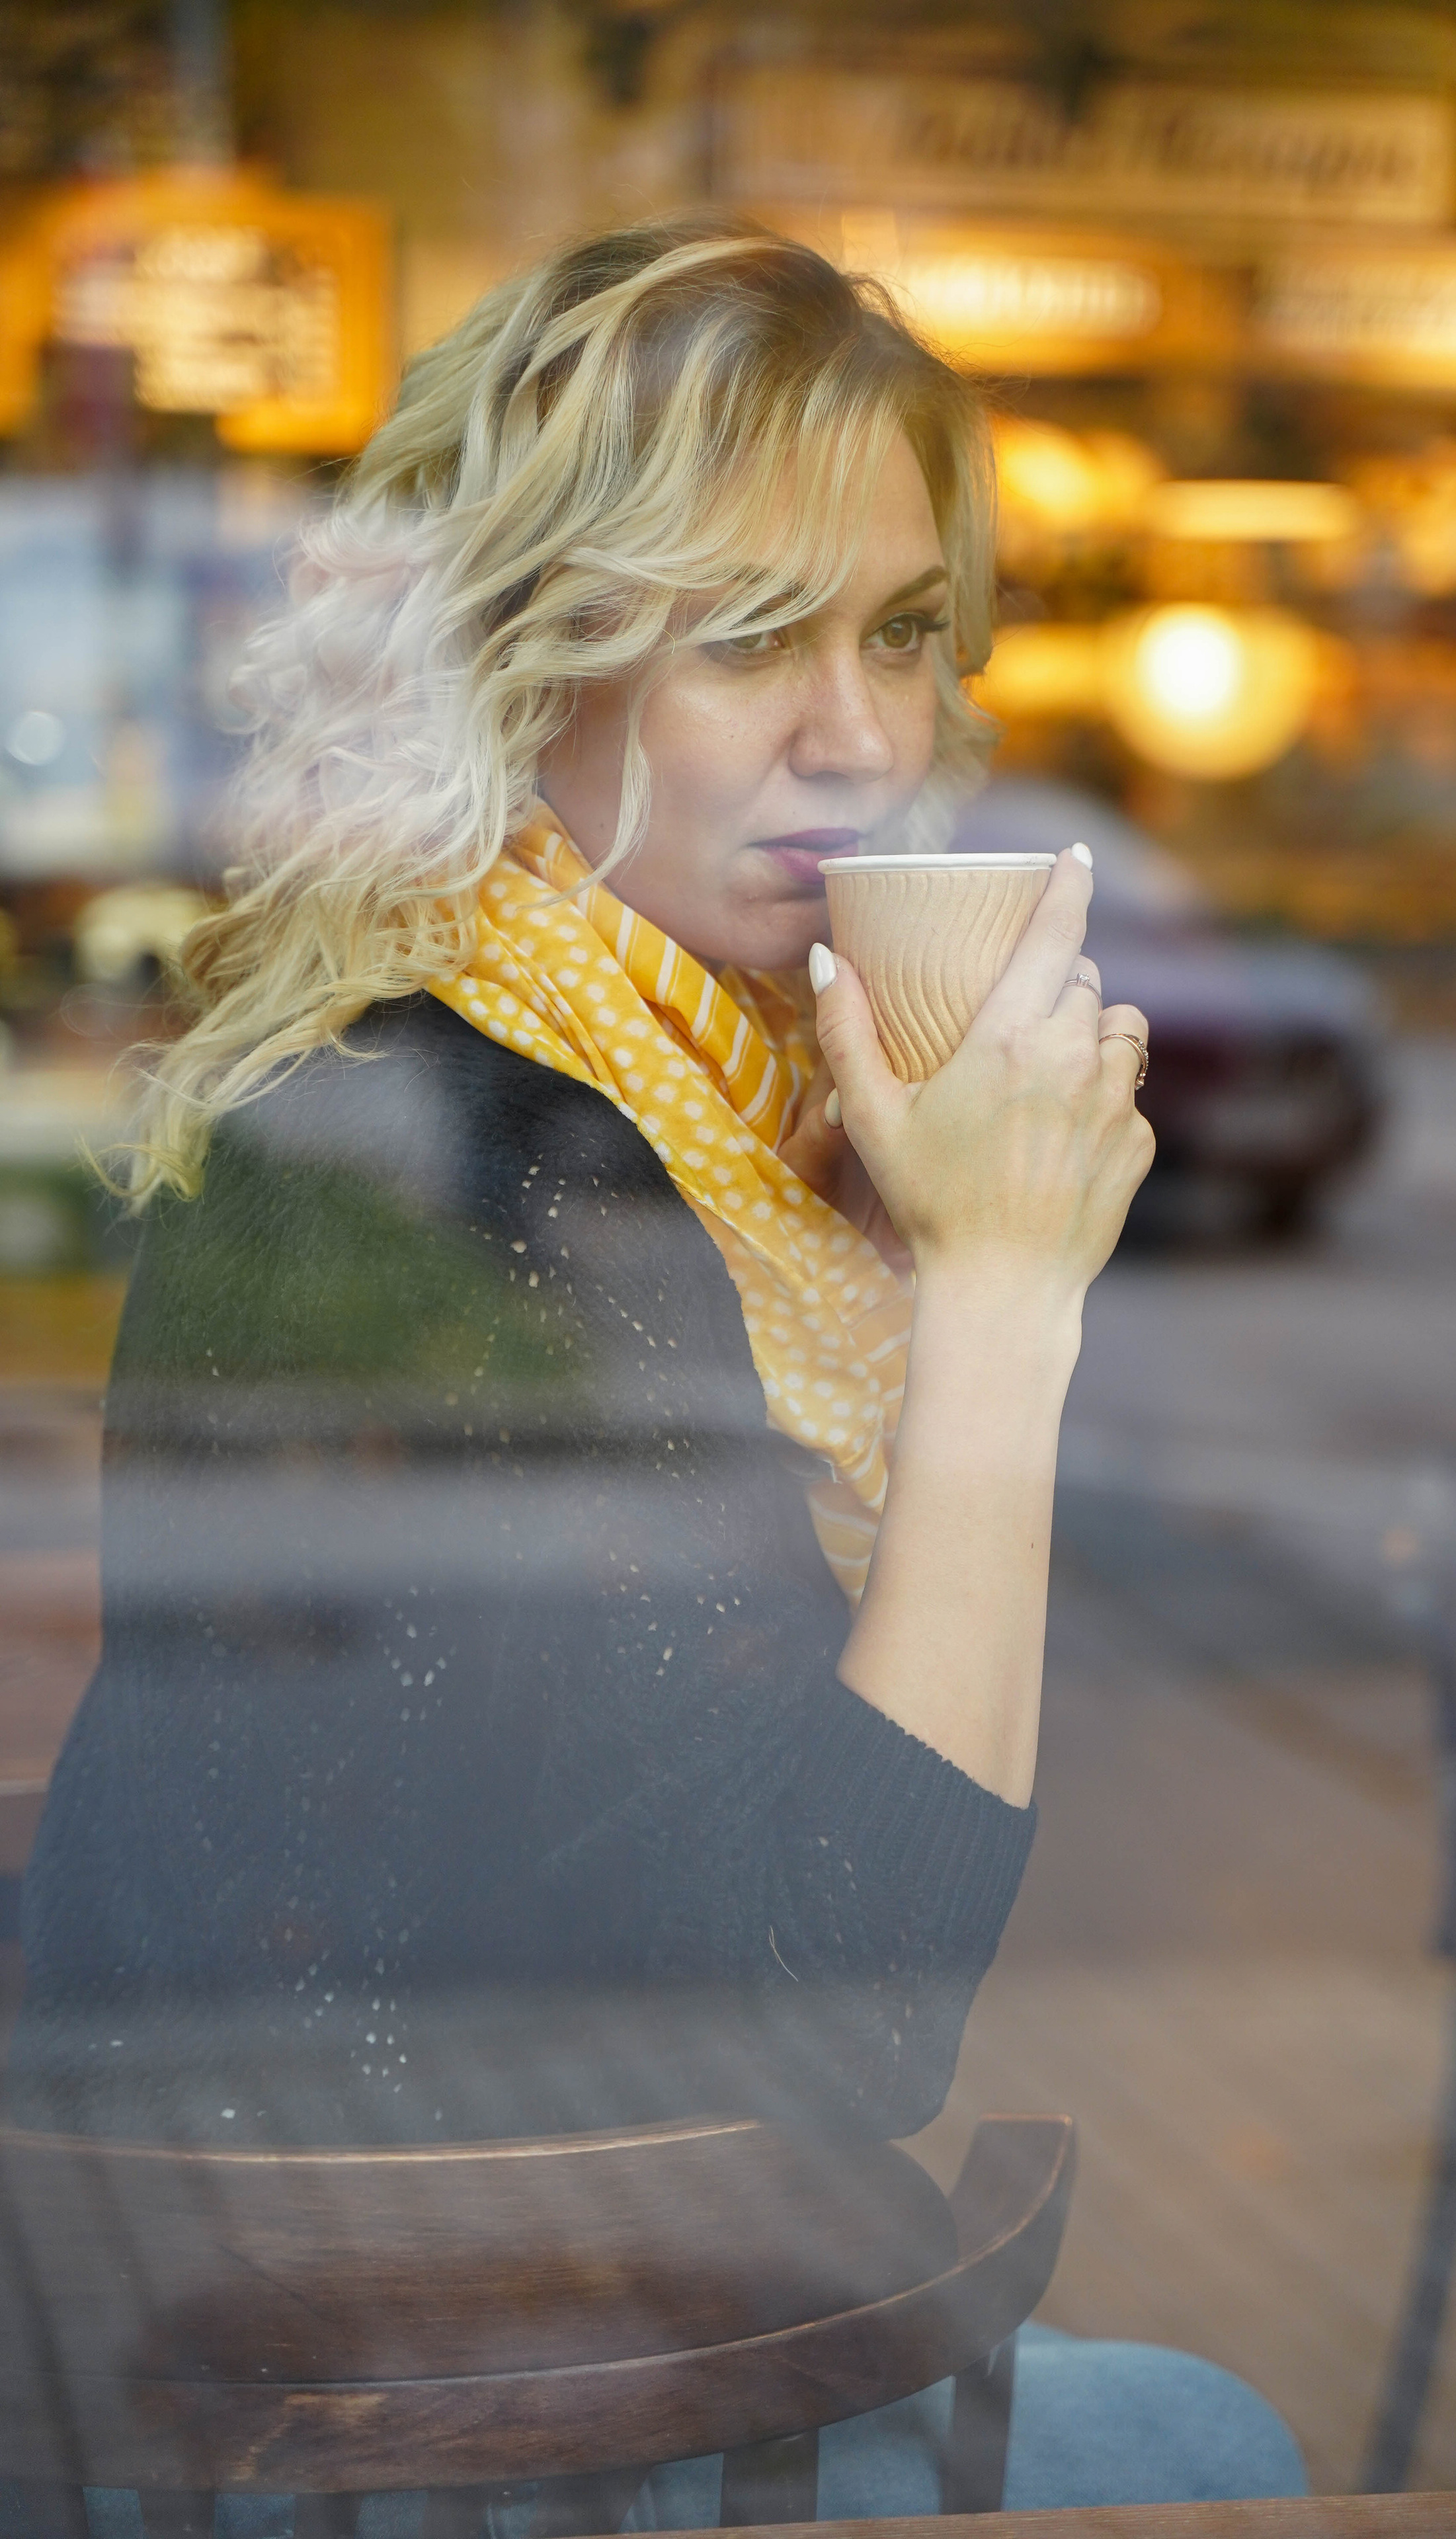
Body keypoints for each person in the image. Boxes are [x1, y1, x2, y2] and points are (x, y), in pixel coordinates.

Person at [8, 214, 1305, 2515]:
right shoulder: (504, 1170)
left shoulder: (641, 1110)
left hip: (373, 2319)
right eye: (748, 637)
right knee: (1215, 2444)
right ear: (524, 665)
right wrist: (1004, 1311)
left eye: (900, 632)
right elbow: (852, 2026)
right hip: (382, 2422)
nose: (864, 736)